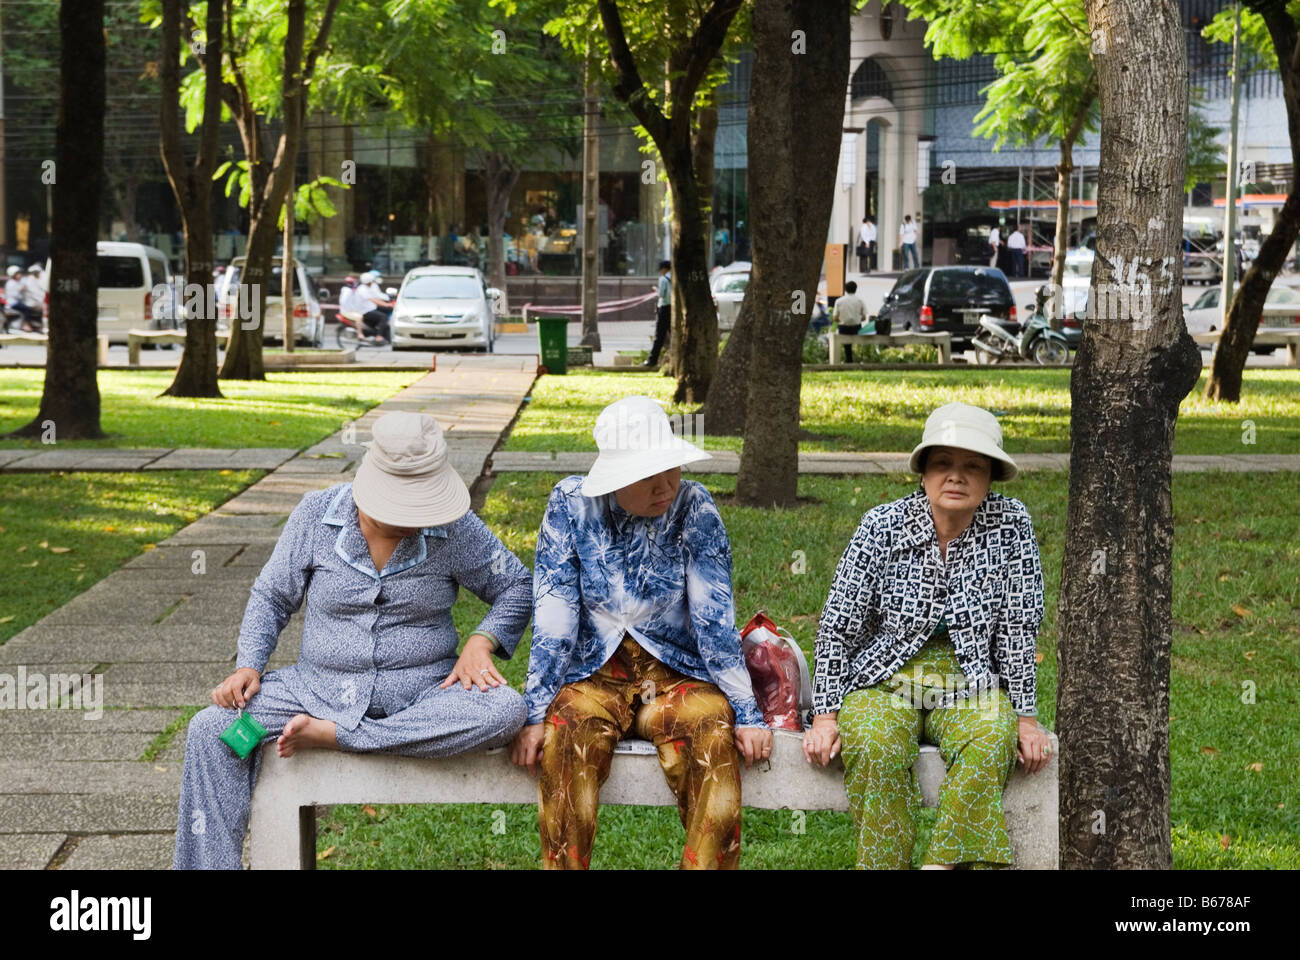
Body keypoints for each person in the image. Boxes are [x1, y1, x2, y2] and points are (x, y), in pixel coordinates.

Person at [173, 412, 533, 869]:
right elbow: (271, 595)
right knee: (213, 733)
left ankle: (342, 737)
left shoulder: (456, 528)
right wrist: (249, 665)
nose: (415, 519)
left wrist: (483, 640)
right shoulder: (315, 515)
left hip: (425, 696)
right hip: (312, 692)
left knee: (505, 710)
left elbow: (518, 586)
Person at [511, 396, 772, 869]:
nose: (666, 484)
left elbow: (715, 620)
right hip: (594, 675)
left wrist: (748, 710)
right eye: (648, 474)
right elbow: (554, 616)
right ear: (613, 478)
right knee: (565, 734)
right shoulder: (571, 505)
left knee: (713, 730)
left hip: (674, 676)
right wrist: (534, 709)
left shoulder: (695, 507)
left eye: (670, 468)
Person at [804, 402, 1051, 870]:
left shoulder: (1011, 525)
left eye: (972, 466)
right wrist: (826, 714)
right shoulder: (881, 527)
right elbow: (837, 626)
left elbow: (1019, 626)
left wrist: (1024, 718)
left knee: (991, 734)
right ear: (924, 472)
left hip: (968, 676)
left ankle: (941, 866)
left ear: (991, 476)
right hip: (883, 676)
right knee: (875, 744)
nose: (956, 477)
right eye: (943, 464)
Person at [645, 258, 672, 368]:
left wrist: (656, 289)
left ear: (664, 269)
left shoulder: (663, 279)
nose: (660, 271)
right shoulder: (674, 278)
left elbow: (661, 294)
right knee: (673, 333)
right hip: (673, 308)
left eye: (661, 269)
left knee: (659, 334)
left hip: (664, 308)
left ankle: (652, 360)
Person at [833, 280, 867, 363]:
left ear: (845, 289)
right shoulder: (860, 301)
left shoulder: (839, 301)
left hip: (843, 328)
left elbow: (835, 318)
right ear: (856, 289)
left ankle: (849, 359)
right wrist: (857, 319)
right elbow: (864, 317)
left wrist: (842, 320)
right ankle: (852, 359)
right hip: (856, 328)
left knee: (846, 343)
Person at [355, 270, 392, 344]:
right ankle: (379, 337)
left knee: (383, 318)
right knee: (384, 317)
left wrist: (388, 300)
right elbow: (374, 300)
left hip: (371, 308)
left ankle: (378, 334)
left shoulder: (369, 287)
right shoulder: (362, 289)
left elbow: (377, 296)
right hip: (365, 311)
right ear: (369, 281)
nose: (373, 281)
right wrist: (387, 304)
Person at [5, 265, 38, 332]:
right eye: (18, 274)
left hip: (18, 302)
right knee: (27, 309)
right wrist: (20, 290)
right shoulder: (10, 283)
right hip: (12, 303)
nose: (20, 275)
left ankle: (31, 324)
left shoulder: (19, 281)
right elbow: (13, 295)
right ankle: (25, 325)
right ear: (13, 275)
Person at [19, 265, 46, 332]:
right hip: (31, 302)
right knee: (45, 308)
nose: (37, 273)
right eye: (35, 272)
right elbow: (35, 294)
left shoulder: (42, 278)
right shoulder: (29, 280)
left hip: (39, 301)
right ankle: (42, 326)